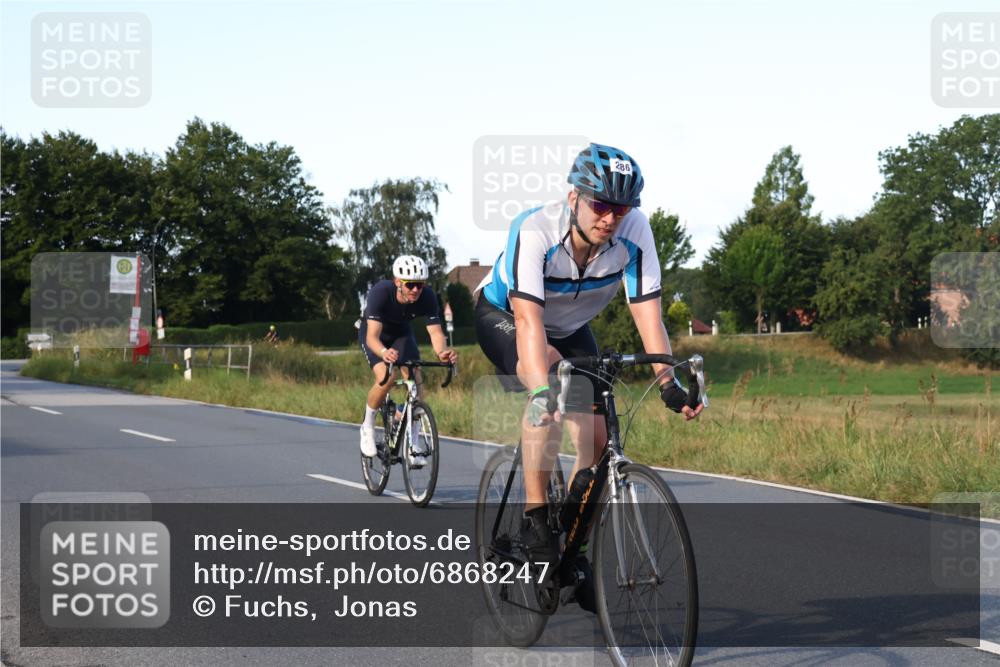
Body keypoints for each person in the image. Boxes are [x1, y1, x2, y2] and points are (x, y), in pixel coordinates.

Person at [474, 142, 704, 609]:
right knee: (552, 396)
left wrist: (668, 382)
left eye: (622, 208)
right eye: (601, 205)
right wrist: (542, 390)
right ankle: (537, 520)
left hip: (573, 326)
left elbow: (647, 314)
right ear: (573, 197)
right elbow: (528, 323)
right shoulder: (535, 229)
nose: (611, 218)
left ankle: (573, 544)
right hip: (506, 315)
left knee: (598, 437)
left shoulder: (636, 232)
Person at [358, 255, 458, 465]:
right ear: (398, 282)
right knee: (387, 376)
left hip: (401, 333)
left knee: (415, 376)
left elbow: (436, 333)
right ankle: (367, 426)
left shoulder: (427, 297)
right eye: (410, 284)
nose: (415, 290)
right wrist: (384, 352)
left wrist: (442, 353)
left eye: (420, 285)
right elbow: (372, 337)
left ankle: (413, 440)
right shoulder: (381, 292)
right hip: (375, 335)